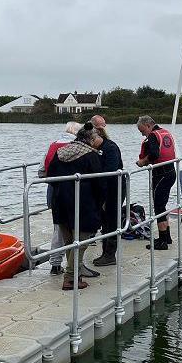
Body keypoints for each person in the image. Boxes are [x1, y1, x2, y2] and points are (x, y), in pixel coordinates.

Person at [46, 124, 105, 290]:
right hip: (83, 204)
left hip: (60, 202)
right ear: (91, 140)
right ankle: (70, 278)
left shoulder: (61, 152)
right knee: (82, 242)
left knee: (70, 242)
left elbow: (50, 176)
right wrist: (102, 202)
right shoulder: (91, 156)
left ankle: (75, 276)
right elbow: (99, 183)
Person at [41, 122, 82, 274]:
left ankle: (56, 264)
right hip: (72, 191)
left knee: (58, 227)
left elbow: (41, 171)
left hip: (53, 189)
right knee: (72, 228)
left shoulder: (52, 146)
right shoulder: (77, 147)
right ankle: (71, 265)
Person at [135, 115, 177, 250]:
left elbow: (154, 154)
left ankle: (162, 241)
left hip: (161, 174)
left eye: (142, 131)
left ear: (148, 125)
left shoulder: (153, 135)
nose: (142, 134)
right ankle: (167, 237)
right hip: (171, 172)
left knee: (159, 206)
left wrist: (142, 162)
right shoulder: (165, 132)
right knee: (162, 205)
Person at [89, 114, 124, 266]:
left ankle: (110, 255)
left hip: (114, 187)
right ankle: (105, 252)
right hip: (103, 189)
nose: (90, 144)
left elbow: (110, 173)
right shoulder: (95, 149)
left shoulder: (110, 148)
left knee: (111, 220)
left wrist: (103, 197)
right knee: (104, 220)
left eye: (91, 141)